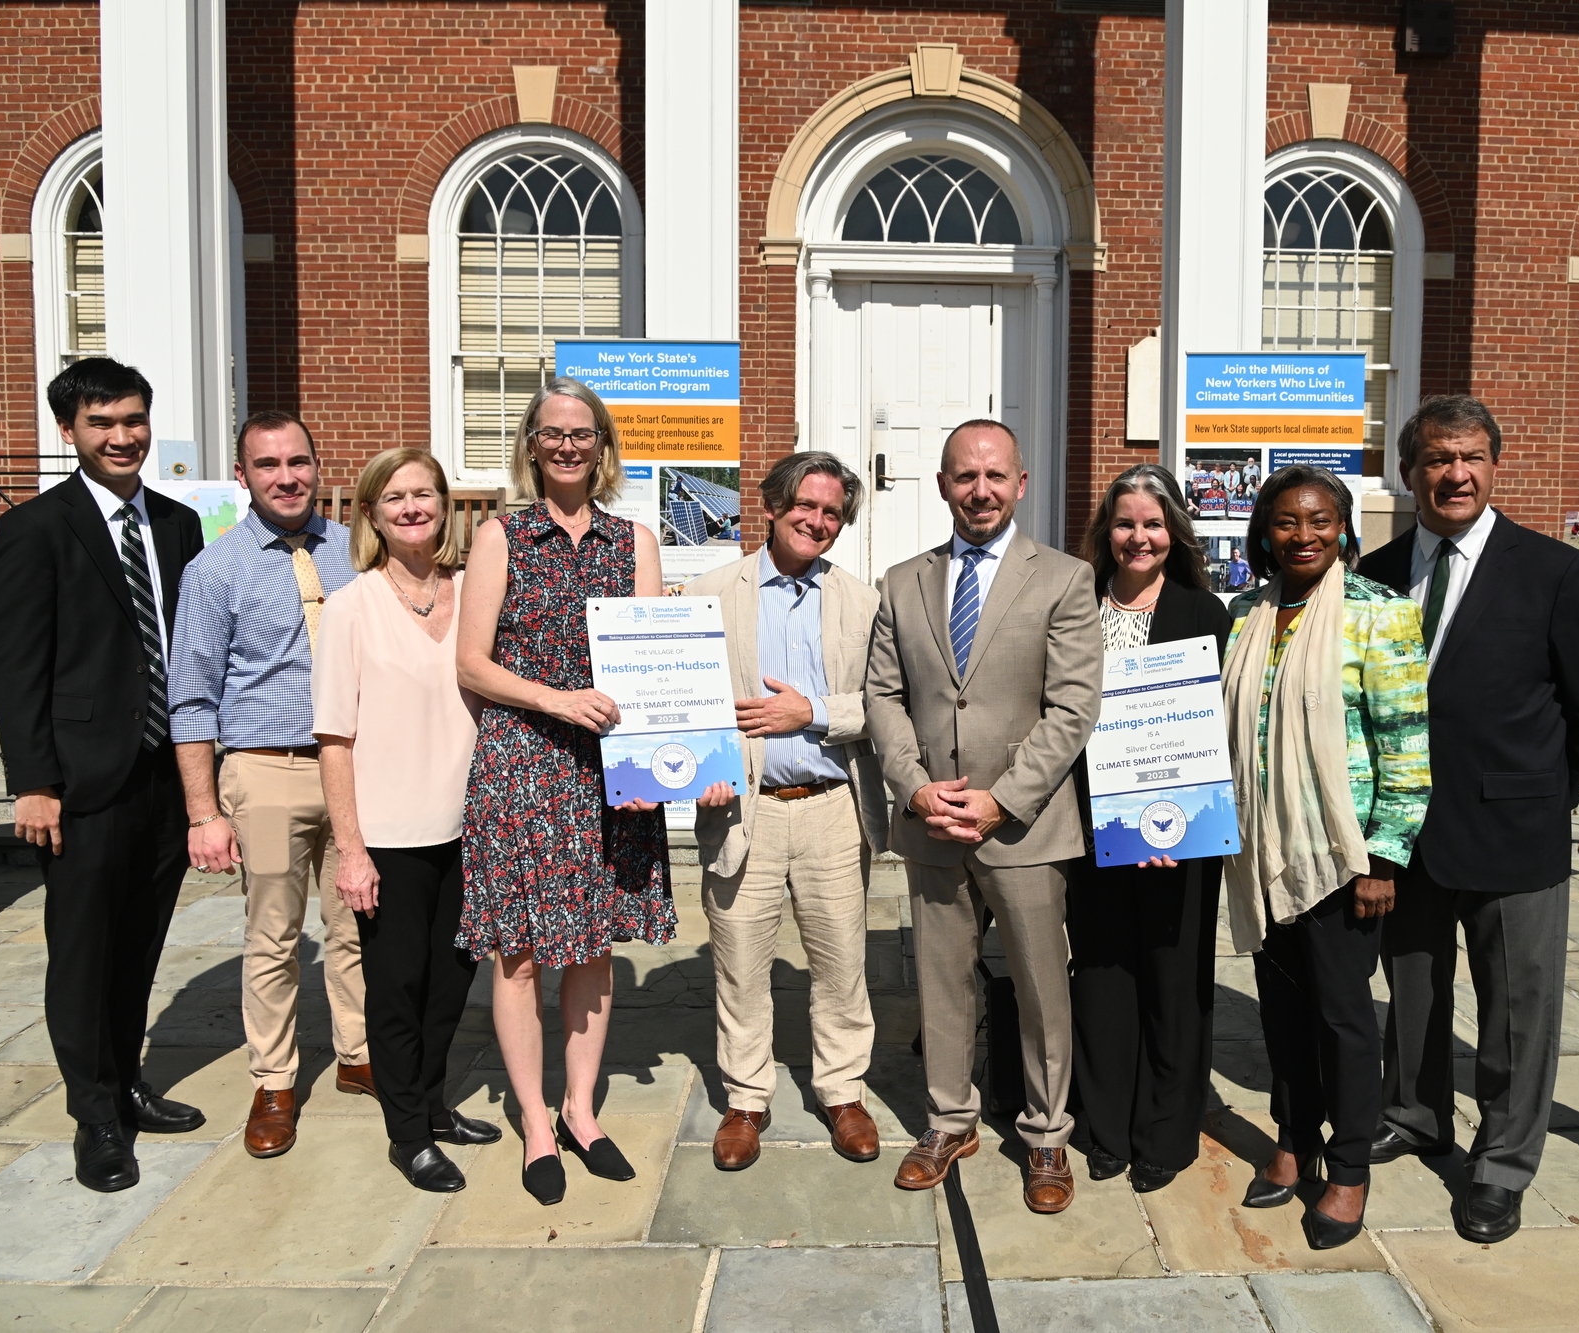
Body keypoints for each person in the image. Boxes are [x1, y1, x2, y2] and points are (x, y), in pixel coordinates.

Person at [1357, 396, 1579, 1243]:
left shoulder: (1550, 570)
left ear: (1495, 466)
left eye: (1471, 456)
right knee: (1412, 992)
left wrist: (1554, 790)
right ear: (1409, 472)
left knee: (1516, 1009)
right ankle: (1414, 1112)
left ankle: (1503, 1163)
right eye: (1438, 459)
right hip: (1403, 832)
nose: (1456, 474)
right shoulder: (1378, 568)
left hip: (1515, 832)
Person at [864, 420, 1101, 1214]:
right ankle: (949, 1119)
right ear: (941, 485)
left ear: (1021, 483)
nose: (981, 490)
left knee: (1039, 987)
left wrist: (1003, 798)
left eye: (996, 475)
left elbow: (1073, 708)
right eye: (964, 476)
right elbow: (883, 696)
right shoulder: (902, 581)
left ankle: (1044, 1132)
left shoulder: (1064, 579)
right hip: (932, 822)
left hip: (1024, 827)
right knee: (940, 982)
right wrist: (914, 784)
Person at [0, 358, 206, 1192]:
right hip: (78, 784)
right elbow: (15, 665)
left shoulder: (179, 525)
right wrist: (33, 780)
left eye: (133, 419)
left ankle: (129, 1077)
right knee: (82, 951)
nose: (122, 437)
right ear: (69, 431)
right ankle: (95, 1114)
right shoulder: (37, 527)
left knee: (141, 944)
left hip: (162, 775)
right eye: (102, 423)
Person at [455, 378, 673, 1207]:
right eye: (553, 434)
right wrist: (556, 699)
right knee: (518, 951)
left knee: (591, 943)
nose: (569, 446)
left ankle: (581, 1110)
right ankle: (535, 1121)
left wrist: (653, 762)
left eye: (583, 433)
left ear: (603, 444)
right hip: (522, 763)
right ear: (532, 444)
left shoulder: (634, 539)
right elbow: (471, 662)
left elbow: (653, 663)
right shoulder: (501, 535)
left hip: (607, 767)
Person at [1222, 464, 1429, 1250]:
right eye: (1285, 521)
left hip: (1341, 858)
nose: (1303, 535)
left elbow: (1406, 744)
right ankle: (1293, 1134)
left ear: (1344, 528)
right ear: (1263, 532)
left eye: (1318, 521)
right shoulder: (1245, 613)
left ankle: (1347, 1167)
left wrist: (1385, 857)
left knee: (1343, 1016)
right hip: (1259, 850)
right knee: (1281, 1009)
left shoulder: (1380, 613)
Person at [168, 411, 370, 1161]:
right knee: (274, 935)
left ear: (319, 465)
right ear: (243, 475)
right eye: (267, 465)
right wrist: (203, 810)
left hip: (355, 763)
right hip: (266, 765)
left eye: (298, 462)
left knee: (357, 924)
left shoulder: (358, 553)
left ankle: (357, 1055)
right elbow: (190, 696)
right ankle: (276, 1079)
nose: (286, 477)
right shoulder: (213, 570)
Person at [688, 452, 890, 1171]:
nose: (818, 521)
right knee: (740, 960)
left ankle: (841, 1090)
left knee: (841, 962)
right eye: (806, 505)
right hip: (744, 811)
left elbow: (889, 705)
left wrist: (814, 711)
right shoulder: (713, 592)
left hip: (834, 806)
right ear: (772, 505)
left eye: (833, 512)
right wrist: (700, 770)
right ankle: (746, 1098)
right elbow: (684, 699)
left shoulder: (863, 602)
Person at [314, 448, 500, 1193]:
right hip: (388, 837)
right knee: (398, 988)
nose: (413, 506)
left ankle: (431, 1105)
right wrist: (350, 850)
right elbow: (334, 737)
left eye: (425, 493)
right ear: (371, 513)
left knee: (452, 986)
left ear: (447, 506)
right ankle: (408, 1135)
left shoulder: (474, 591)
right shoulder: (350, 606)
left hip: (470, 827)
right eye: (395, 497)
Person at [1068, 465, 1231, 1194]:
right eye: (1127, 523)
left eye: (1155, 523)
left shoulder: (1205, 612)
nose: (1141, 537)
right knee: (1102, 972)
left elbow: (1214, 733)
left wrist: (1175, 825)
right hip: (1088, 823)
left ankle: (1164, 1130)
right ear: (1107, 530)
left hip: (1182, 833)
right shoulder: (1073, 605)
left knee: (1173, 975)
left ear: (1176, 533)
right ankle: (1105, 1126)